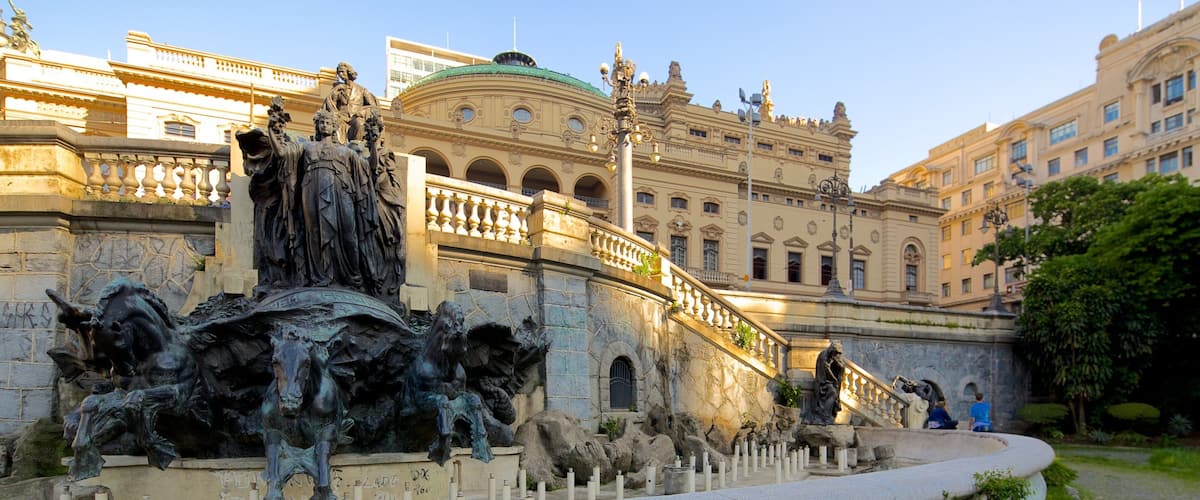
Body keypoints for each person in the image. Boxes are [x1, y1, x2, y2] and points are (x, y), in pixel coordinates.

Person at [322, 62, 379, 144]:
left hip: (355, 118)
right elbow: (331, 104)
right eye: (339, 73)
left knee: (360, 123)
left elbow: (373, 106)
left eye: (342, 72)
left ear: (349, 72)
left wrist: (360, 111)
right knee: (334, 123)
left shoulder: (361, 90)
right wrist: (335, 92)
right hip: (341, 117)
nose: (341, 75)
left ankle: (357, 146)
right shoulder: (338, 88)